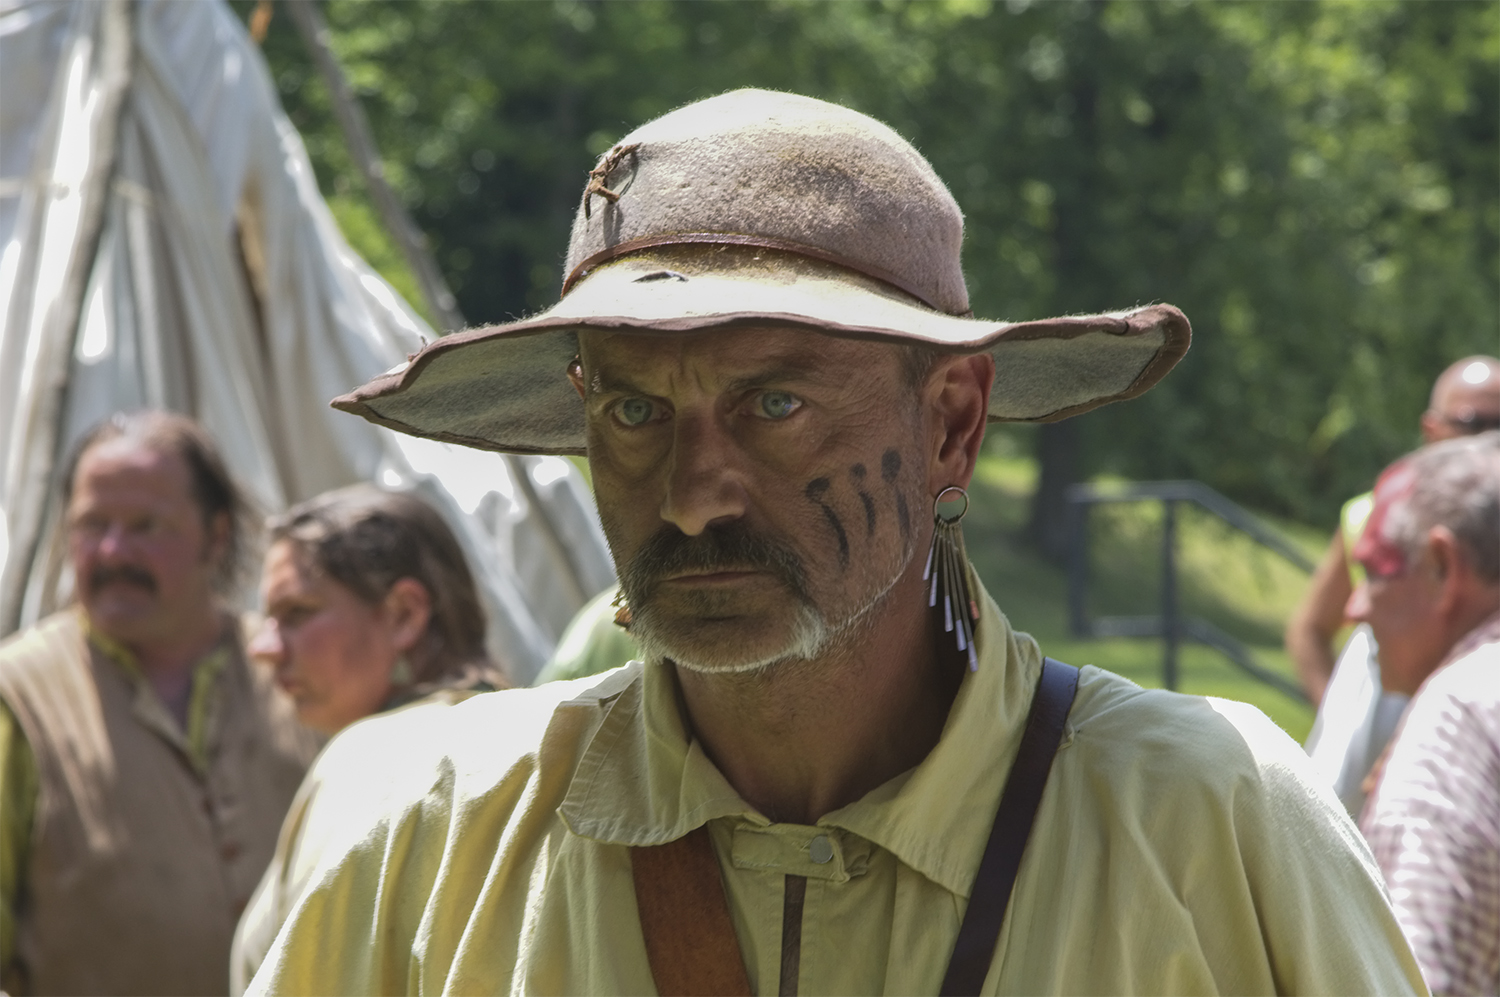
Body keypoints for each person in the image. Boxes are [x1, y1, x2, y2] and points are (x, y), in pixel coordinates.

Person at [249, 90, 1423, 994]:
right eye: (634, 411)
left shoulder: (1206, 817)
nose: (695, 495)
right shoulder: (436, 832)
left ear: (950, 427)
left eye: (775, 405)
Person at [0, 410, 318, 996]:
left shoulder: (300, 670)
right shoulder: (16, 697)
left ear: (215, 536)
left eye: (148, 526)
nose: (114, 551)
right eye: (92, 524)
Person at [229, 484, 507, 992]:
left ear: (403, 615)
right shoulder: (533, 735)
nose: (264, 647)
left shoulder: (366, 761)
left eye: (297, 613)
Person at [1352, 433, 1500, 995]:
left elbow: (1421, 982)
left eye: (1374, 571)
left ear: (1442, 567)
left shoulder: (1462, 717)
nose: (1355, 607)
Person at [1287, 355, 1500, 706]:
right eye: (1473, 423)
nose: (1492, 440)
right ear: (1432, 430)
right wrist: (1340, 720)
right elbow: (1309, 629)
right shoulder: (1374, 515)